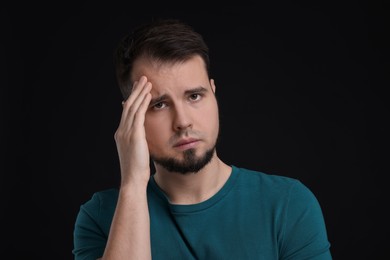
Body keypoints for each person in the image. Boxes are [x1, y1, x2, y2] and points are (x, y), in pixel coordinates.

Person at [72, 18, 332, 259]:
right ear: (131, 115)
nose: (183, 121)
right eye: (159, 105)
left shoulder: (287, 204)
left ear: (213, 92)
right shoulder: (101, 216)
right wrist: (132, 185)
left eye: (194, 96)